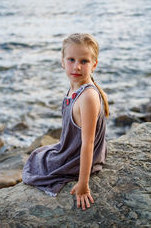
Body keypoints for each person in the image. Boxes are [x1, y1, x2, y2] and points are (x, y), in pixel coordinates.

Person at [22, 33, 109, 211]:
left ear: (94, 64)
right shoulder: (74, 87)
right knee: (38, 155)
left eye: (84, 61)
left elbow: (88, 143)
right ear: (62, 61)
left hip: (82, 157)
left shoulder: (88, 97)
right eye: (71, 59)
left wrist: (83, 184)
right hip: (73, 148)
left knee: (40, 168)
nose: (76, 67)